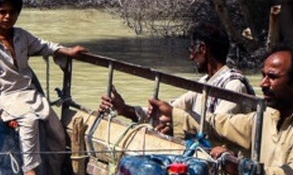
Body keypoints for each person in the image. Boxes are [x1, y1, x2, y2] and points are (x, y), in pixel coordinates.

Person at [0, 0, 87, 175]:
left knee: (57, 132)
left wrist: (67, 51)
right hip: (7, 96)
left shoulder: (22, 37)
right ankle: (30, 173)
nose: (7, 17)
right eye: (2, 12)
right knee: (29, 121)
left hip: (30, 93)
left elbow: (44, 46)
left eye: (12, 12)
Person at [100, 22, 253, 132]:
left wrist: (175, 123)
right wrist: (124, 109)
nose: (191, 57)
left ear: (203, 49)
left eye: (192, 49)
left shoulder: (233, 85)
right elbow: (169, 112)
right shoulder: (204, 83)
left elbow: (219, 128)